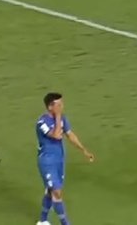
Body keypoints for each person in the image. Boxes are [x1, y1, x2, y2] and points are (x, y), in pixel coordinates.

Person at [36, 92, 94, 225]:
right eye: (59, 105)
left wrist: (84, 150)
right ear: (50, 107)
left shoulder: (62, 118)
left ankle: (43, 221)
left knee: (51, 190)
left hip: (59, 161)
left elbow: (70, 135)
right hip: (47, 162)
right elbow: (56, 135)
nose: (62, 107)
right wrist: (57, 116)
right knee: (57, 192)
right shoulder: (42, 122)